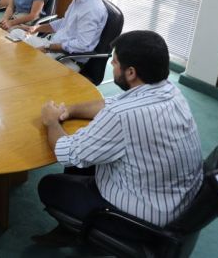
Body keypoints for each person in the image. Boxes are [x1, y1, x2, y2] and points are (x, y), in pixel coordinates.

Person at [35, 30, 203, 245]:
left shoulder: (123, 116)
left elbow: (67, 153)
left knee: (50, 185)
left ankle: (80, 231)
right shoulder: (170, 91)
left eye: (114, 64)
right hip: (175, 203)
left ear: (131, 72)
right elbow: (111, 104)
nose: (112, 68)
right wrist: (70, 109)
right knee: (86, 159)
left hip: (142, 221)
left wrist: (51, 121)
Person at [8, 0, 108, 71]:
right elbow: (64, 22)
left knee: (30, 62)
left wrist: (48, 48)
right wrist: (36, 28)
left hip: (67, 59)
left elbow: (82, 45)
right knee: (16, 34)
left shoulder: (93, 10)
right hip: (53, 47)